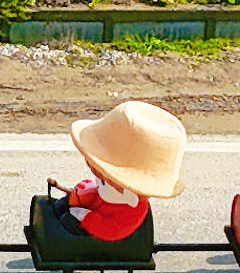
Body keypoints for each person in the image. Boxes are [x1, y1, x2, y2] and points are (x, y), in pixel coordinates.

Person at [56, 100, 185, 243]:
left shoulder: (129, 211)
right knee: (64, 205)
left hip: (94, 224)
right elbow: (99, 191)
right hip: (94, 208)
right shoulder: (115, 193)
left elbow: (110, 229)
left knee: (67, 221)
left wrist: (85, 216)